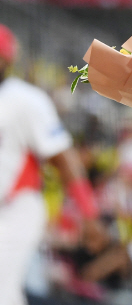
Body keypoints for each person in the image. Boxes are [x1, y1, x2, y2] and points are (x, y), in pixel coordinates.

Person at [0, 24, 100, 305]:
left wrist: (88, 214)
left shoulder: (25, 100)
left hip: (16, 209)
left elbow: (62, 158)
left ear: (6, 60)